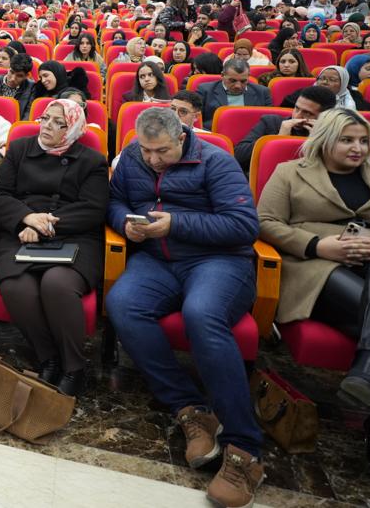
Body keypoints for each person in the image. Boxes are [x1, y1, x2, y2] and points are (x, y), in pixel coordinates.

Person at [257, 109, 370, 505]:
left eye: (363, 141)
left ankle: (369, 370)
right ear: (325, 140)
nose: (358, 148)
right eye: (347, 140)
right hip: (317, 270)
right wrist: (317, 245)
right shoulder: (290, 173)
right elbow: (265, 221)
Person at [104, 108, 264, 508]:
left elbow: (243, 225)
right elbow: (115, 201)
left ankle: (245, 449)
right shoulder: (132, 158)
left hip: (218, 260)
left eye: (161, 151)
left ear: (182, 138)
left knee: (202, 315)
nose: (153, 159)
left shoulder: (216, 161)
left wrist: (175, 223)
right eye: (146, 151)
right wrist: (125, 223)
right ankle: (190, 408)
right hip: (157, 260)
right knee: (122, 304)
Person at [0, 99, 107, 396]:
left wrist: (45, 225)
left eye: (59, 123)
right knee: (16, 286)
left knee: (57, 284)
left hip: (72, 234)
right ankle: (48, 358)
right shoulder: (20, 148)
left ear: (74, 128)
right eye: (45, 118)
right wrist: (27, 217)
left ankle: (74, 367)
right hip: (21, 231)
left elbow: (93, 209)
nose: (47, 126)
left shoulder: (92, 161)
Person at [233, 85, 336, 174]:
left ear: (324, 116)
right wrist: (278, 139)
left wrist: (319, 140)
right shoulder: (271, 122)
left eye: (307, 113)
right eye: (296, 108)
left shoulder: (333, 133)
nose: (297, 116)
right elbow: (238, 156)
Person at [199, 58, 273, 126]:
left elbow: (269, 123)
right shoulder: (205, 90)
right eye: (232, 81)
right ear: (222, 75)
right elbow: (197, 122)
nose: (238, 86)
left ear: (248, 76)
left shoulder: (262, 92)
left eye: (243, 81)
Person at [0, 52, 34, 119]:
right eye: (11, 72)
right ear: (8, 68)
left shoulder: (32, 89)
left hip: (15, 124)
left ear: (26, 76)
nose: (13, 79)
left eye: (19, 76)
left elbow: (27, 117)